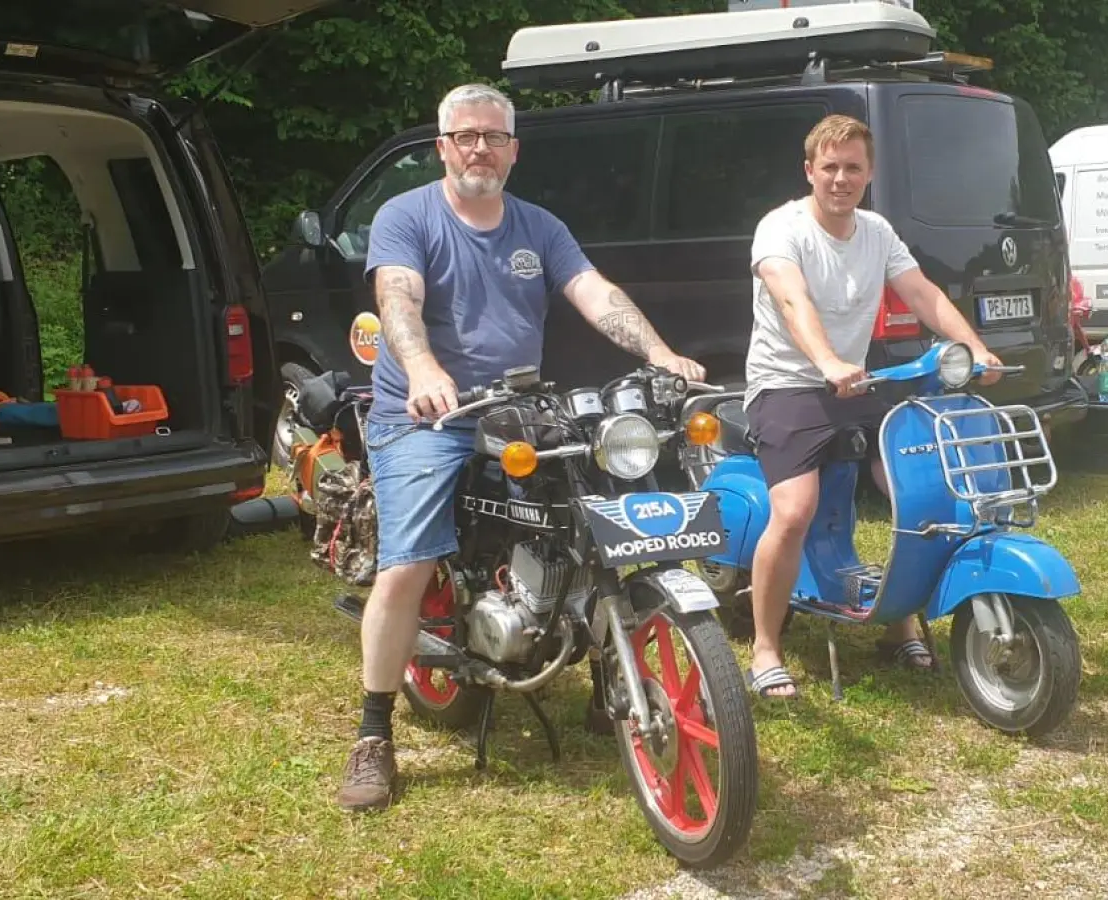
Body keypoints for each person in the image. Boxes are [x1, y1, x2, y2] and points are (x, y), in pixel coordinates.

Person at [336, 83, 705, 812]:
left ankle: (609, 673)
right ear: (443, 146)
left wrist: (661, 352)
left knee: (593, 510)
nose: (480, 148)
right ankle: (374, 732)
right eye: (466, 136)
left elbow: (593, 291)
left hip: (517, 411)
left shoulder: (538, 226)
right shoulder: (405, 216)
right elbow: (398, 301)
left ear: (513, 149)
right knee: (408, 562)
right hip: (426, 415)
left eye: (494, 137)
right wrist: (426, 372)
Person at [742, 114, 1005, 699]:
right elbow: (792, 299)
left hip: (856, 382)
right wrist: (829, 361)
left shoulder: (877, 231)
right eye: (829, 167)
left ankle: (899, 618)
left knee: (917, 484)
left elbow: (923, 292)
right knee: (794, 510)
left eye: (853, 168)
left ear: (869, 174)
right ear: (809, 170)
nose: (841, 178)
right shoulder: (780, 229)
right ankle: (764, 647)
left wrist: (975, 347)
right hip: (785, 384)